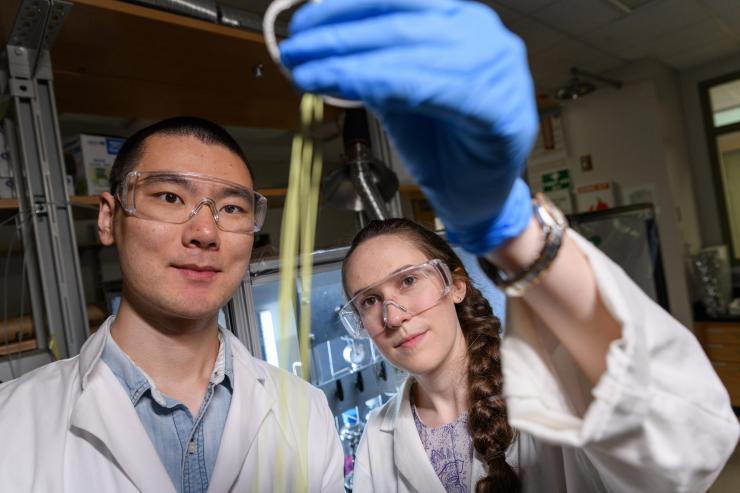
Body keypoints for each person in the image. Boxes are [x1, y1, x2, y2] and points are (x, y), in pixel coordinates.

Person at [278, 0, 740, 491]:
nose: (392, 315)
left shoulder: (546, 383)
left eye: (408, 281)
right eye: (370, 301)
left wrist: (511, 231)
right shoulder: (377, 438)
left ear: (455, 284)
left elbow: (691, 448)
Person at [0, 117, 344, 492]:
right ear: (107, 218)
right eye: (170, 197)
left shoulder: (306, 412)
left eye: (231, 208)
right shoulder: (12, 422)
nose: (205, 232)